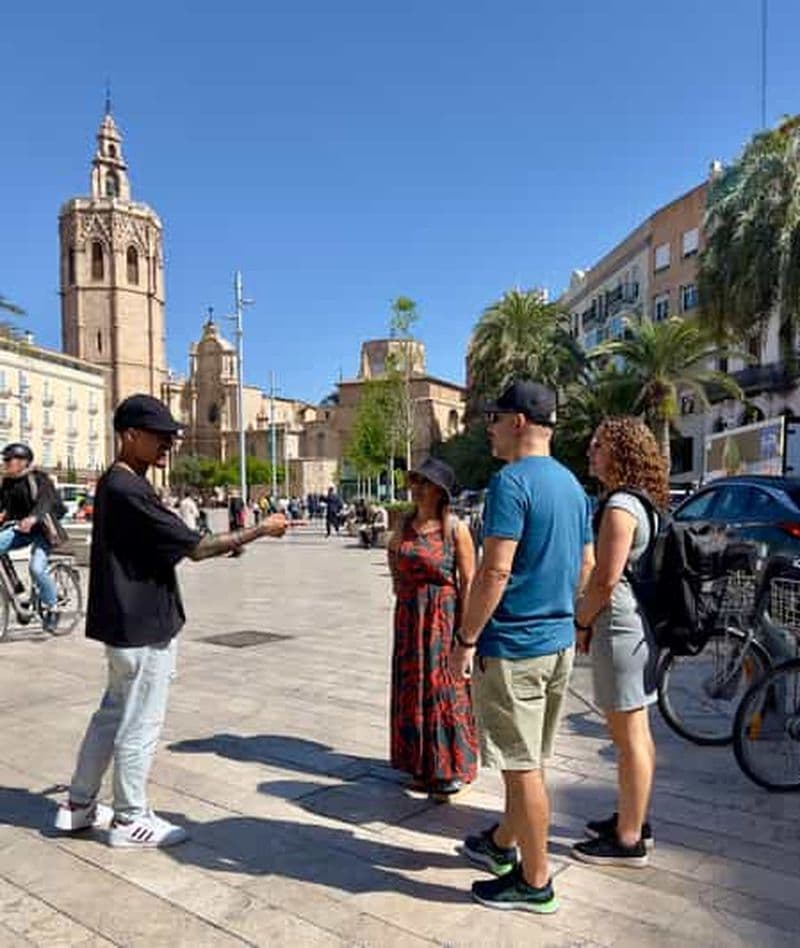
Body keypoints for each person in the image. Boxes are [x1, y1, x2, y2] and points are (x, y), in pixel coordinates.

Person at [53, 394, 287, 848]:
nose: (168, 445)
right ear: (130, 435)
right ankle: (129, 818)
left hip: (124, 625)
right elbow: (196, 548)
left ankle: (79, 803)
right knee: (140, 721)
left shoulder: (115, 484)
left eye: (171, 437)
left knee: (112, 714)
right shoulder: (129, 489)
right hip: (144, 627)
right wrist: (261, 529)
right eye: (159, 436)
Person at [451, 380, 594, 913]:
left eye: (494, 418)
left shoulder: (510, 483)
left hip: (514, 647)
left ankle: (535, 881)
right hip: (556, 645)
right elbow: (586, 567)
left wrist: (466, 638)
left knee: (522, 766)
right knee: (528, 760)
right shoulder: (573, 486)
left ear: (518, 422)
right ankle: (502, 843)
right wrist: (569, 619)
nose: (488, 428)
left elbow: (494, 571)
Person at [571, 416, 667, 868]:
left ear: (620, 453)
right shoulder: (640, 501)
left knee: (628, 737)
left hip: (619, 629)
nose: (590, 452)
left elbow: (605, 580)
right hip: (636, 627)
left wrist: (581, 621)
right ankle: (633, 818)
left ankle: (628, 839)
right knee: (636, 733)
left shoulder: (620, 507)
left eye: (598, 446)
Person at [389, 457, 478, 800]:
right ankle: (419, 763)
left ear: (440, 491)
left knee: (444, 690)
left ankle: (448, 768)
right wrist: (400, 587)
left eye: (424, 483)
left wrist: (465, 630)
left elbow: (469, 580)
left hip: (442, 617)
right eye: (415, 481)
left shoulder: (454, 529)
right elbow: (394, 554)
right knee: (413, 688)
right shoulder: (405, 523)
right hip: (410, 617)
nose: (417, 488)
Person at [0, 442, 67, 633]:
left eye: (9, 459)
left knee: (36, 568)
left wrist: (33, 518)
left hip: (44, 531)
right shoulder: (8, 482)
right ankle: (18, 590)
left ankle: (53, 608)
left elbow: (46, 501)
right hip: (22, 529)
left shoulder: (39, 478)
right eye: (4, 459)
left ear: (23, 461)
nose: (5, 462)